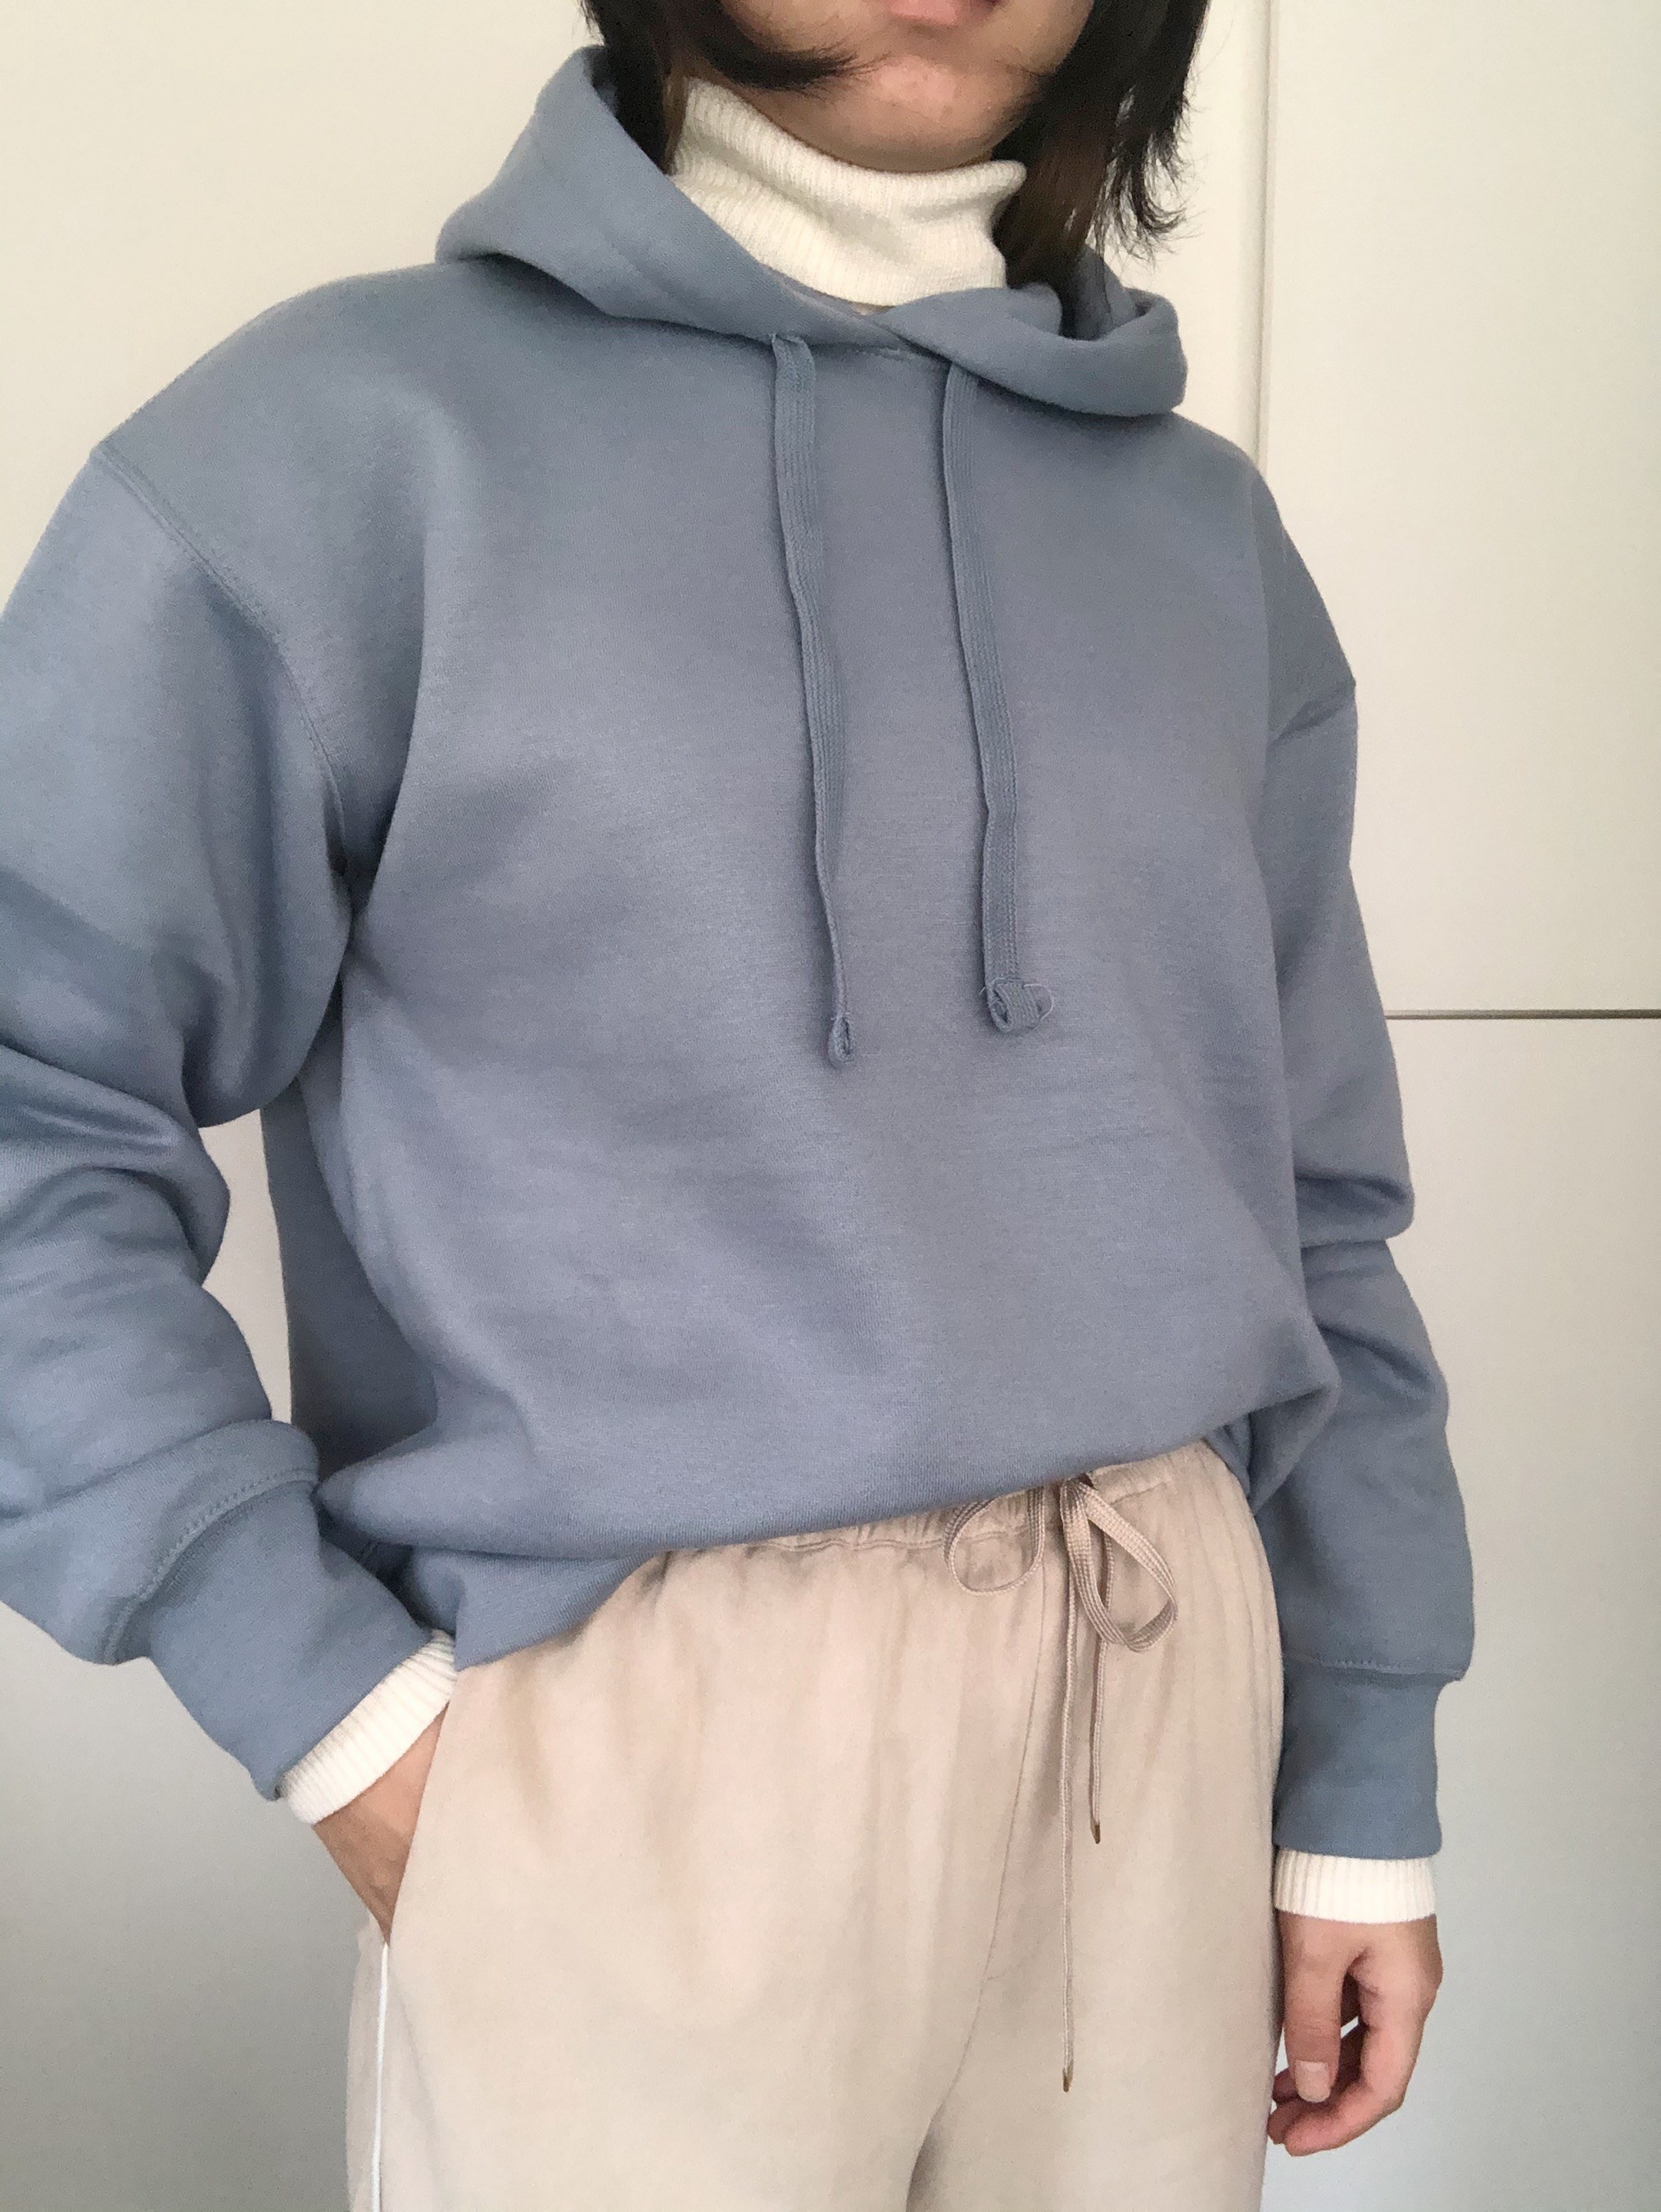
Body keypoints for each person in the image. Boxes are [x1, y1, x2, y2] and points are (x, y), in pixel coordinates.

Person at [0, 0, 1475, 2203]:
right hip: (630, 1734)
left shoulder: (1200, 536)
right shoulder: (326, 458)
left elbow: (1313, 1198)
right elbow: (33, 1101)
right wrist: (334, 1711)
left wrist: (1358, 1769)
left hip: (1163, 1686)